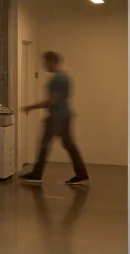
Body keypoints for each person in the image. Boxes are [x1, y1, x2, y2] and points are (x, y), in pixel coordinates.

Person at [19, 51, 89, 186]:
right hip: (65, 115)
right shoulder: (65, 77)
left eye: (45, 62)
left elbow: (52, 101)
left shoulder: (56, 79)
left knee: (45, 144)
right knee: (69, 145)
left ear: (51, 62)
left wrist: (31, 107)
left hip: (57, 117)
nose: (44, 65)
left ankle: (36, 174)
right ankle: (81, 174)